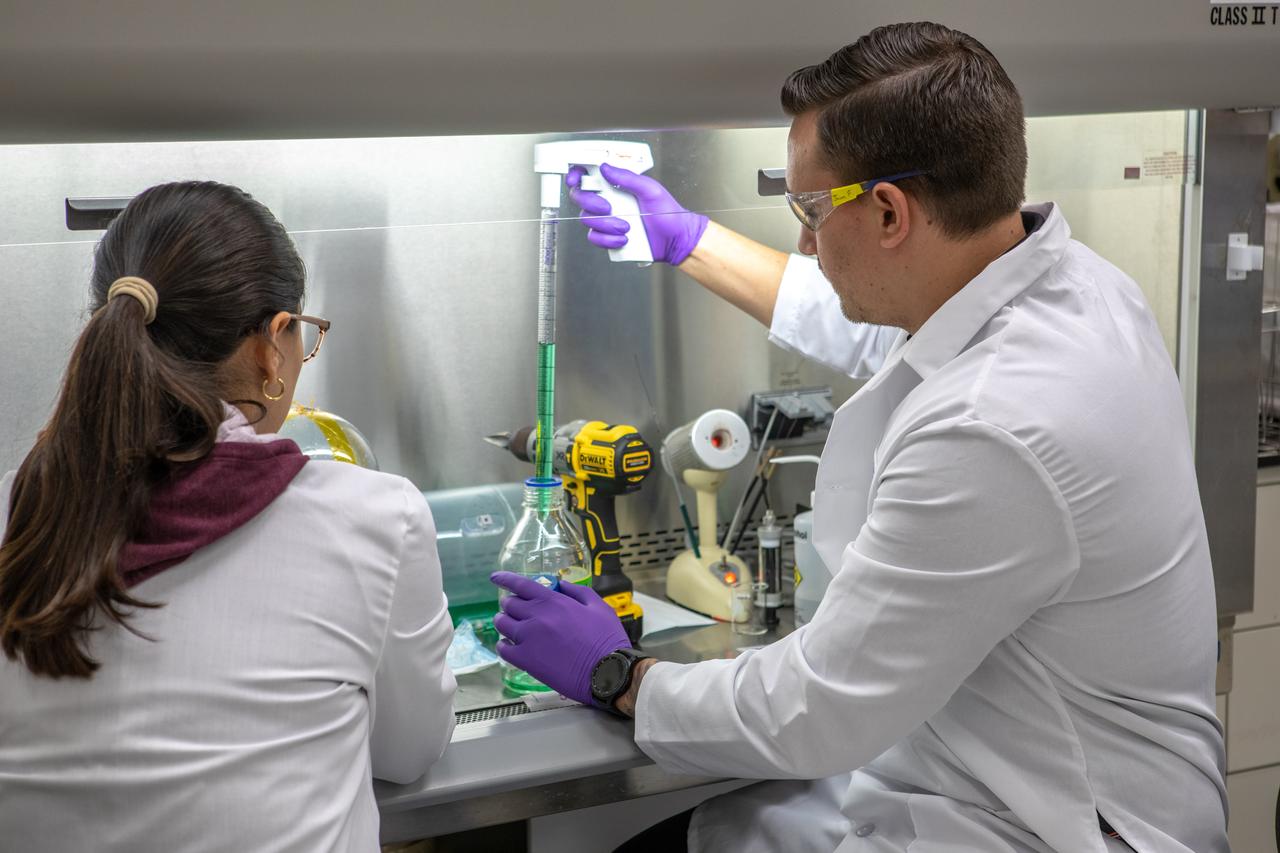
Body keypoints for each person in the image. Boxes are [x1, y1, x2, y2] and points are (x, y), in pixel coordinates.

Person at [492, 22, 1228, 852]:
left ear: (888, 212)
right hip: (999, 770)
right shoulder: (1074, 285)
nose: (803, 241)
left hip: (1043, 824)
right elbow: (884, 328)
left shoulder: (994, 429)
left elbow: (818, 708)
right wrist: (690, 242)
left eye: (809, 210)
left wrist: (619, 675)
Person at [0, 181, 457, 852]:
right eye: (304, 335)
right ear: (273, 344)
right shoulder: (373, 519)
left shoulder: (20, 510)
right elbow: (410, 751)